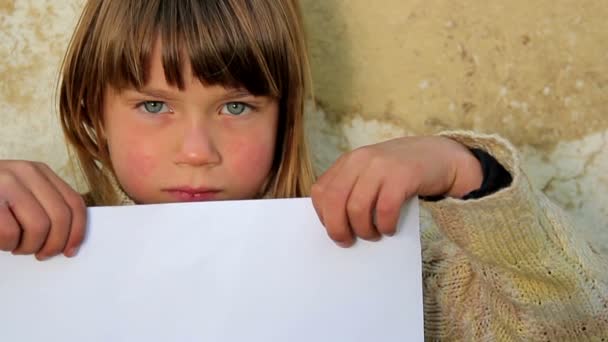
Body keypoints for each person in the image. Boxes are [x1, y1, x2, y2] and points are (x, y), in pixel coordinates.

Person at [0, 0, 606, 339]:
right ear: (90, 111)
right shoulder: (26, 254)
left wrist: (466, 171)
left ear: (284, 117)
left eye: (235, 105)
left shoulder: (402, 267)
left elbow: (579, 326)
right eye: (154, 105)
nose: (195, 150)